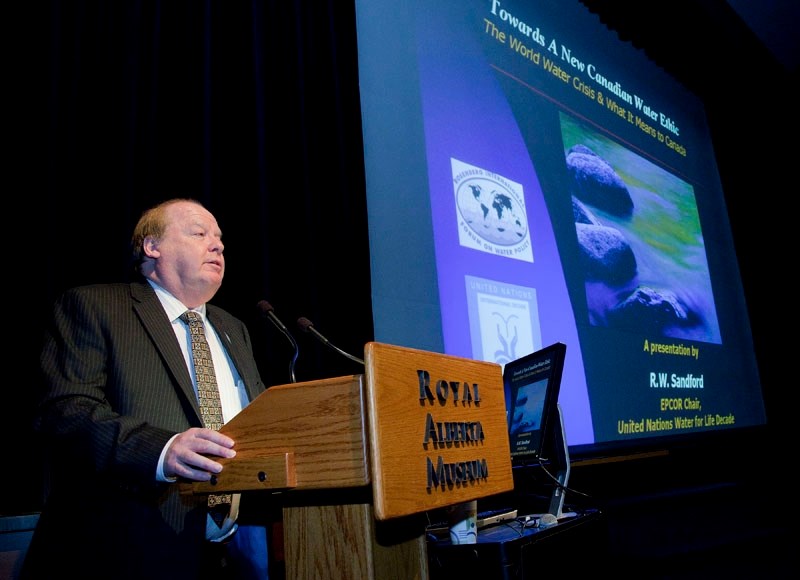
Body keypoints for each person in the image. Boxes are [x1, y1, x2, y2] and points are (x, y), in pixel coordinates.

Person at [22, 198, 271, 580]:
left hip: (232, 554)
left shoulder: (233, 328)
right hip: (123, 551)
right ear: (151, 247)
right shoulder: (95, 306)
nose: (217, 244)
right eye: (199, 233)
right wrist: (162, 450)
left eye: (220, 237)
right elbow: (64, 410)